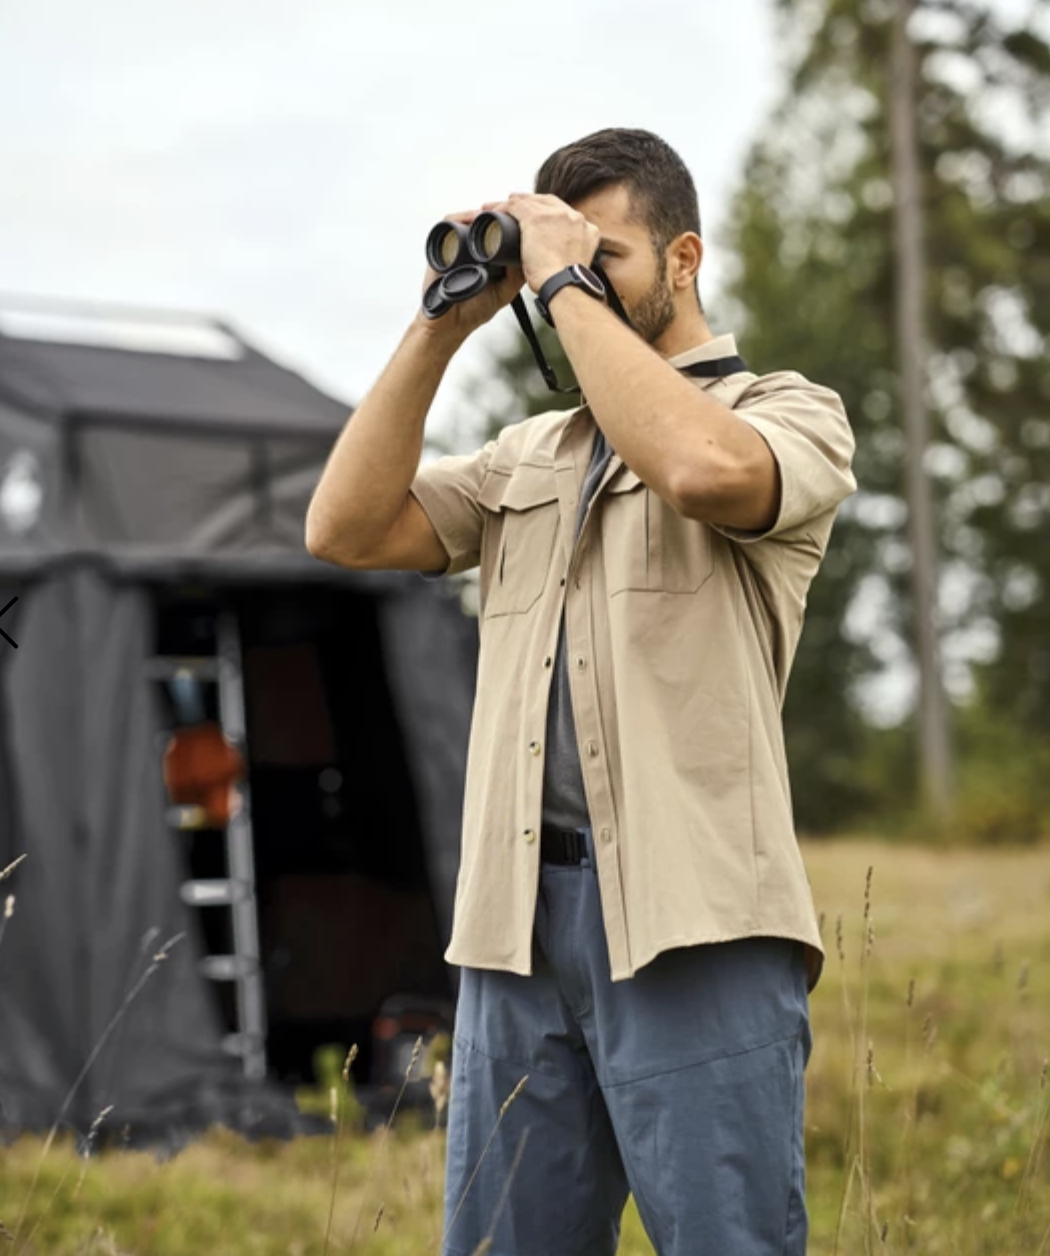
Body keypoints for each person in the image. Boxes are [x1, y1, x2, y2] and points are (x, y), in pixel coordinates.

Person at [306, 128, 856, 1256]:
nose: (581, 283)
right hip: (516, 932)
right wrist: (441, 323)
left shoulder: (788, 412)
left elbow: (702, 470)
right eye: (567, 258)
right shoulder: (530, 457)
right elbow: (344, 526)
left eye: (609, 254)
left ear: (687, 258)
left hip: (695, 921)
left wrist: (561, 282)